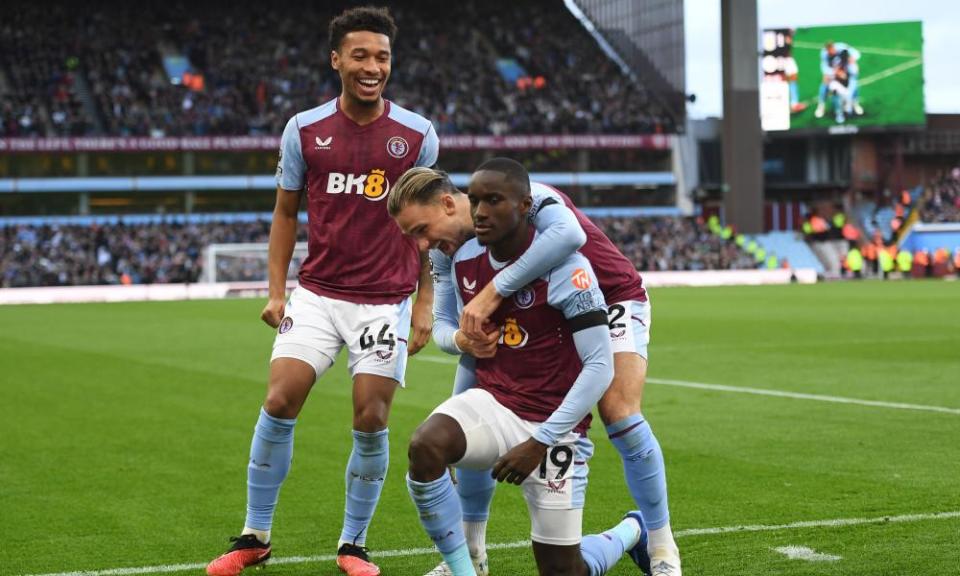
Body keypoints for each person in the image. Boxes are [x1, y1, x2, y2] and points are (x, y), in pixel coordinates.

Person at [205, 7, 439, 576]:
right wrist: (277, 290)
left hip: (385, 299)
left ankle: (353, 545)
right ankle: (254, 536)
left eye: (381, 57)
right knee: (280, 400)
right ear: (336, 60)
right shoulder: (304, 130)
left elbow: (427, 227)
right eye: (360, 55)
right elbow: (286, 213)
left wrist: (426, 304)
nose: (372, 67)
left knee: (370, 417)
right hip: (317, 294)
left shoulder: (417, 136)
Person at [388, 161, 681, 576]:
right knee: (470, 420)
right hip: (539, 315)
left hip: (609, 294)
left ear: (450, 205)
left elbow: (571, 235)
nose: (421, 245)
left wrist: (494, 291)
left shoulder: (531, 200)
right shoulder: (453, 253)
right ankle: (472, 553)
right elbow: (449, 328)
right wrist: (459, 341)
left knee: (618, 411)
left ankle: (661, 544)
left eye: (421, 230)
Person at [815, 41, 863, 122]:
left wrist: (852, 60)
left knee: (854, 83)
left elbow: (856, 54)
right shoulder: (824, 55)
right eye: (829, 52)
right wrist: (835, 73)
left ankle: (855, 103)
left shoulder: (842, 48)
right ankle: (822, 106)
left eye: (832, 50)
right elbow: (825, 70)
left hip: (846, 72)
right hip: (834, 75)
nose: (831, 53)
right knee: (826, 85)